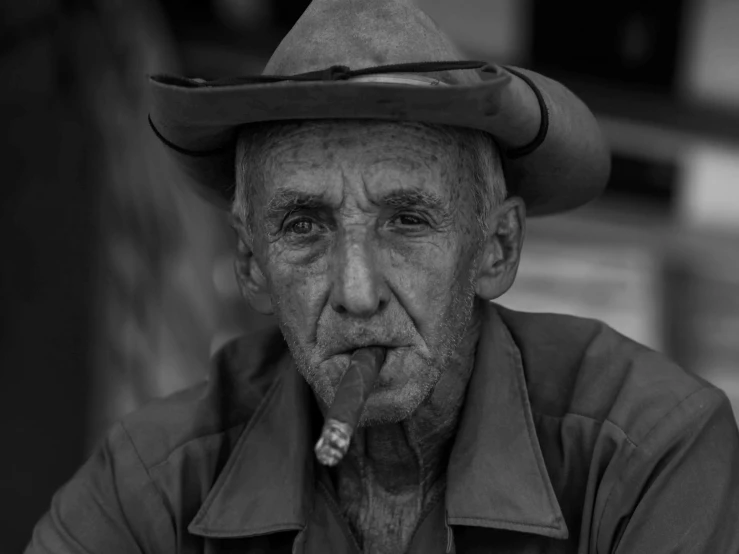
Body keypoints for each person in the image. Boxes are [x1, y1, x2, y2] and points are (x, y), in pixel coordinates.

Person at [26, 0, 739, 552]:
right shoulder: (151, 478)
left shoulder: (649, 445)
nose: (357, 293)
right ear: (251, 264)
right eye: (304, 227)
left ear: (494, 248)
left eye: (406, 221)